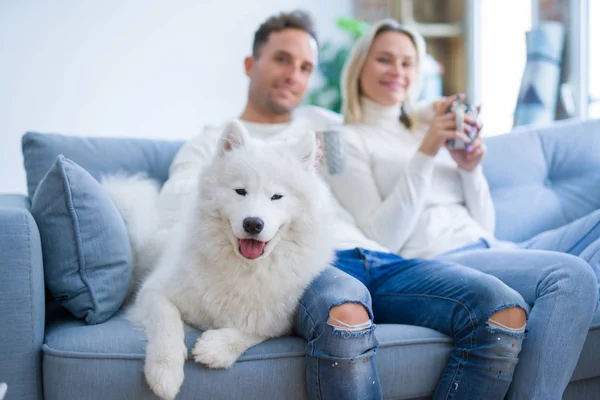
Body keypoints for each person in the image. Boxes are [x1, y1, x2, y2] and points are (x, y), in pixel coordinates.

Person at [158, 9, 533, 400]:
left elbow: (386, 115)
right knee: (346, 318)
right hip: (313, 264)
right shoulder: (214, 143)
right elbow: (180, 205)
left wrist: (440, 115)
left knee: (499, 309)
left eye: (305, 67)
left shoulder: (324, 130)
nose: (293, 75)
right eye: (282, 59)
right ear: (252, 64)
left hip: (380, 256)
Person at [323, 18, 599, 399]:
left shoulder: (426, 126)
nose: (397, 72)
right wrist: (425, 153)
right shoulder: (342, 140)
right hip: (442, 259)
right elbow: (382, 237)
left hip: (491, 246)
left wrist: (470, 170)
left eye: (407, 63)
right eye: (384, 60)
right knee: (572, 277)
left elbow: (484, 224)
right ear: (360, 67)